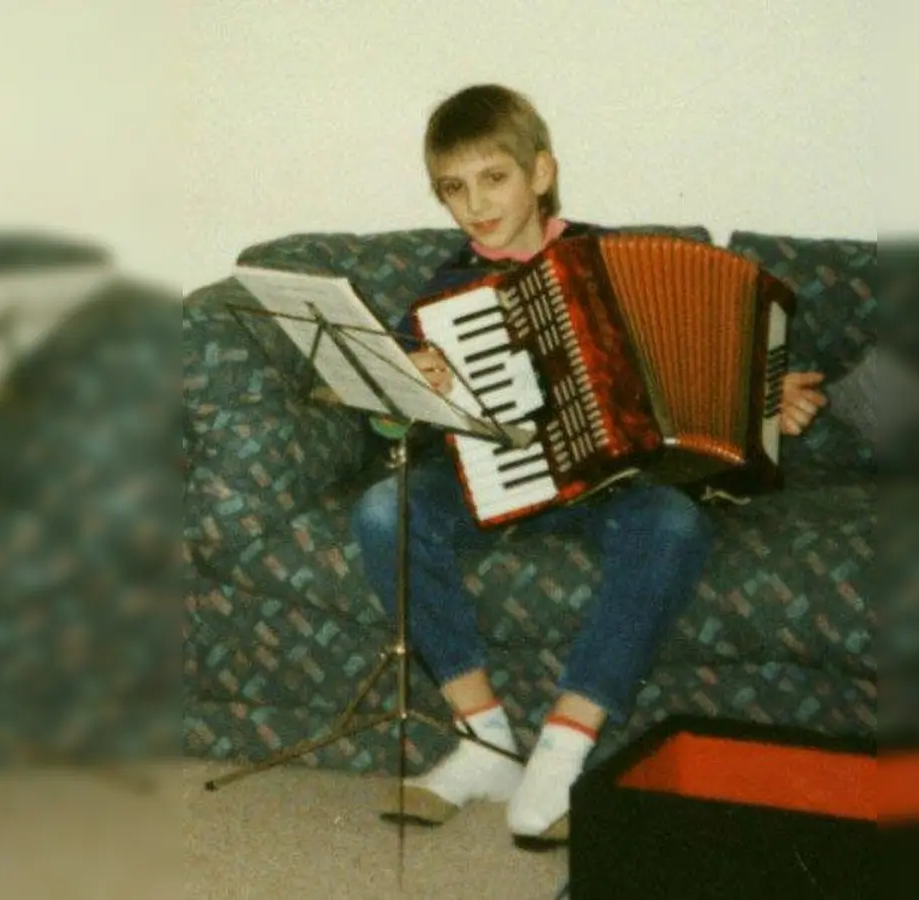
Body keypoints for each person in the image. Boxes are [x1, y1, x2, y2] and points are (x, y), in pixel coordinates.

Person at [351, 84, 826, 848]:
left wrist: (767, 400)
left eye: (493, 178)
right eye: (453, 188)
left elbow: (702, 372)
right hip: (490, 477)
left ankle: (562, 751)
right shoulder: (441, 294)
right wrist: (412, 389)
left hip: (609, 482)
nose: (475, 204)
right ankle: (485, 742)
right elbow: (387, 424)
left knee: (672, 519)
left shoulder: (607, 260)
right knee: (383, 508)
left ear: (541, 173)